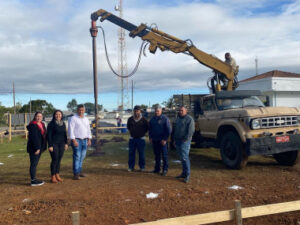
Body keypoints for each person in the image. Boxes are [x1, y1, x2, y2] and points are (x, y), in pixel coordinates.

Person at [68, 104, 92, 180]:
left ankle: (79, 171)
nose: (81, 111)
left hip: (85, 140)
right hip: (77, 139)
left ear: (84, 110)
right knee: (77, 156)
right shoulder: (73, 118)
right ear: (77, 110)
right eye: (79, 110)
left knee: (82, 156)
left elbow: (88, 129)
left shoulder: (86, 119)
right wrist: (73, 140)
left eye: (82, 110)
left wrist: (89, 139)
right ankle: (76, 173)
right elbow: (70, 130)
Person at [173, 106, 195, 183]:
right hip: (178, 140)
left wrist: (185, 140)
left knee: (185, 157)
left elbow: (191, 131)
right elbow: (175, 130)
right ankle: (184, 173)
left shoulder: (189, 119)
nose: (180, 112)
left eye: (182, 110)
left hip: (184, 142)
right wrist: (175, 140)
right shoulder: (178, 119)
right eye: (180, 110)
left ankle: (187, 175)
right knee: (181, 158)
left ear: (186, 111)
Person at [149, 106, 171, 176]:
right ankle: (157, 169)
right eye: (155, 111)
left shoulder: (165, 119)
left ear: (161, 111)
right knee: (157, 155)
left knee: (164, 155)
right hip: (155, 140)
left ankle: (165, 169)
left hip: (162, 141)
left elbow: (169, 130)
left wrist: (165, 139)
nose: (156, 112)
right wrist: (150, 137)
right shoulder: (152, 119)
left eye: (158, 111)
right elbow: (150, 129)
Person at [47, 110, 68, 183]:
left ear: (61, 115)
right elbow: (49, 135)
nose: (58, 115)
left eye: (59, 114)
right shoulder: (51, 124)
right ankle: (52, 176)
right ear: (54, 115)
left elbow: (65, 134)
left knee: (59, 160)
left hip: (62, 144)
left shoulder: (63, 123)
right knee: (55, 159)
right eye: (56, 114)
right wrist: (50, 145)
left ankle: (57, 174)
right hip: (54, 144)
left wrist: (66, 143)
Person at [26, 112, 47, 186]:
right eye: (37, 116)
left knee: (35, 163)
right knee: (33, 164)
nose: (39, 117)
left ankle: (34, 178)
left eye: (40, 116)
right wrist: (37, 148)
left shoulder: (42, 124)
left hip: (40, 147)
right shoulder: (33, 125)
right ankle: (33, 180)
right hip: (34, 148)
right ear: (35, 117)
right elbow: (34, 138)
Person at [127, 105, 149, 172]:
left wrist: (141, 133)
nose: (136, 112)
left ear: (140, 111)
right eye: (135, 111)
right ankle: (131, 167)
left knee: (141, 154)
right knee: (131, 154)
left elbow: (147, 128)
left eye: (138, 111)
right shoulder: (130, 119)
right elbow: (128, 127)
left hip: (141, 139)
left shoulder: (144, 120)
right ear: (133, 111)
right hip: (132, 139)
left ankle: (142, 167)